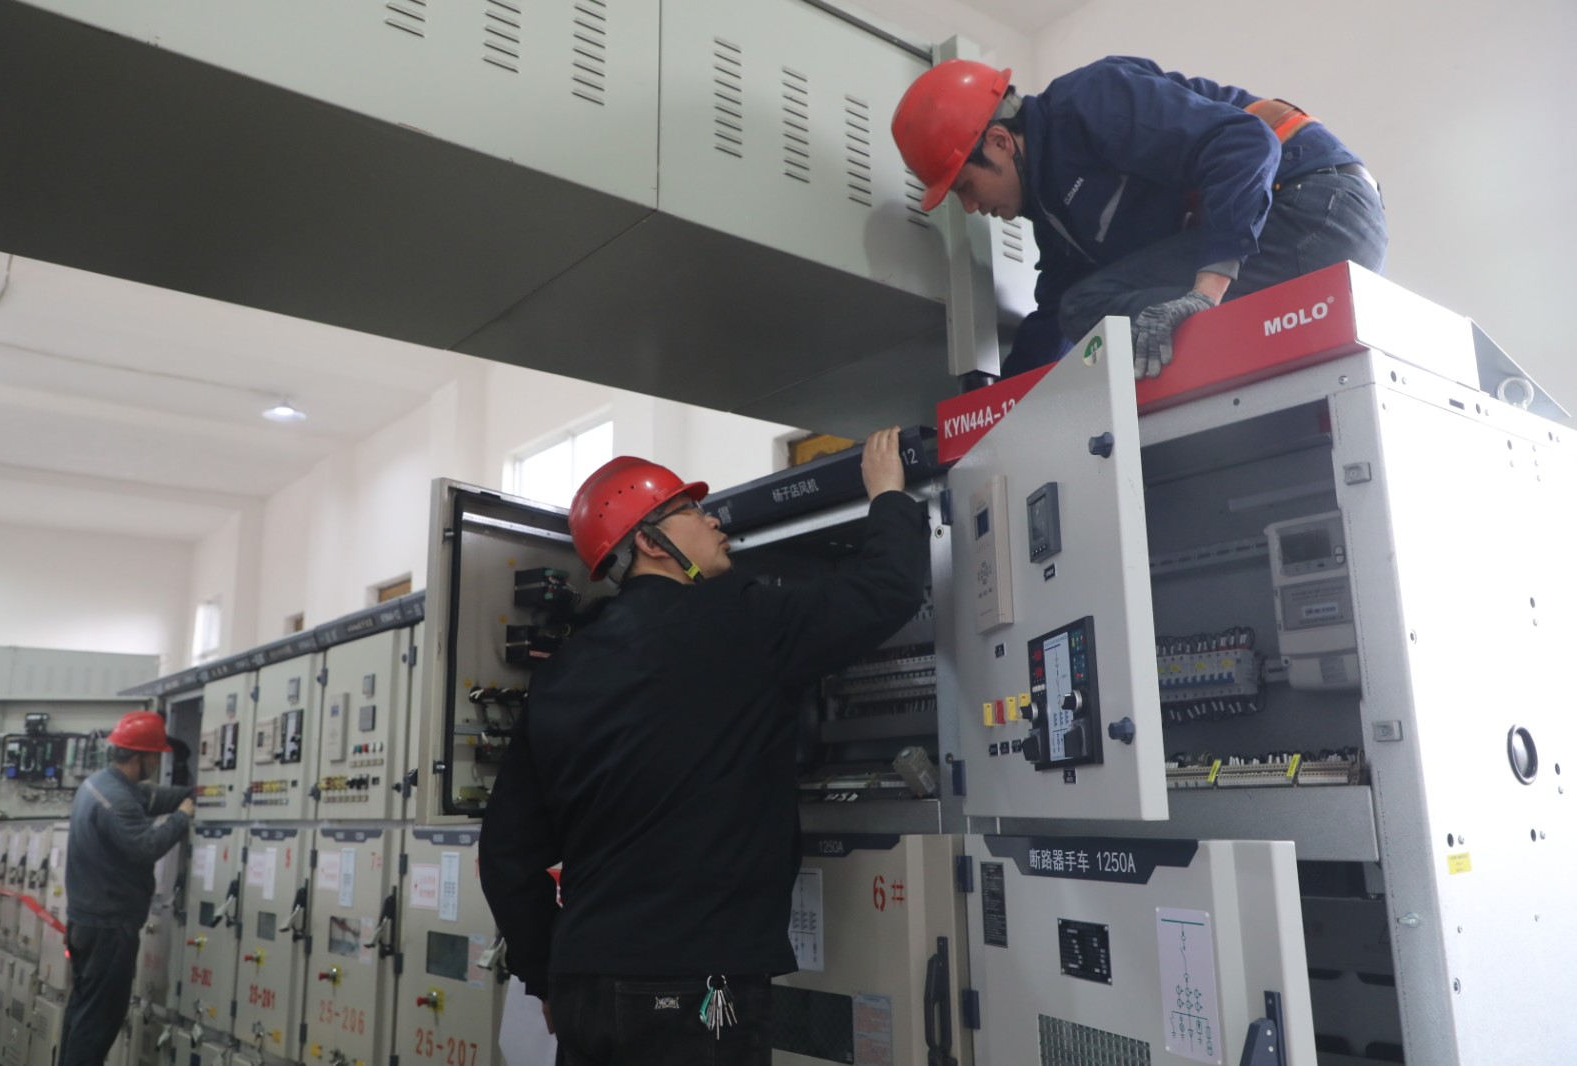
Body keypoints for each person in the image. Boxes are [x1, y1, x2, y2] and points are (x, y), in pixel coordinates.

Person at [480, 429, 929, 1066]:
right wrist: (888, 496)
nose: (715, 520)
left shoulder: (559, 675)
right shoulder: (741, 622)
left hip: (582, 984)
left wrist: (542, 972)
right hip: (698, 987)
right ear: (648, 540)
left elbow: (506, 854)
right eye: (691, 510)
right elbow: (885, 591)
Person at [892, 56, 1388, 380]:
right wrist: (996, 417)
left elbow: (1246, 144)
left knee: (1091, 308)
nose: (971, 207)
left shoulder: (1088, 102)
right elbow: (1057, 315)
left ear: (1000, 142)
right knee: (1080, 307)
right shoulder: (1054, 212)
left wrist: (1202, 295)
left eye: (966, 187)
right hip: (1309, 233)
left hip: (1318, 208)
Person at [59, 711, 194, 1066]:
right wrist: (182, 816)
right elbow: (147, 846)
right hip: (109, 928)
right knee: (99, 1022)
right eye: (155, 756)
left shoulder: (100, 785)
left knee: (82, 1012)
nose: (158, 762)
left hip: (86, 923)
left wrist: (196, 794)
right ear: (139, 757)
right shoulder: (116, 799)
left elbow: (149, 799)